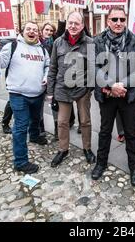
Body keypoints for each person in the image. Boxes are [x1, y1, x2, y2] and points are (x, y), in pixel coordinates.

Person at [91, 6, 135, 187]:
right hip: (107, 95)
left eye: (122, 19)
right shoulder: (97, 41)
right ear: (108, 21)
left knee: (131, 133)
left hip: (127, 95)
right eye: (115, 19)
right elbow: (93, 67)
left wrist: (122, 85)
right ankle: (101, 163)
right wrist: (110, 85)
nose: (119, 23)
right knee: (105, 131)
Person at [0, 21, 50, 174]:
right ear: (23, 31)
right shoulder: (13, 46)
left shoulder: (42, 50)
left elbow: (48, 66)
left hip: (37, 93)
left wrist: (46, 76)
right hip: (18, 94)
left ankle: (35, 136)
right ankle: (21, 161)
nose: (32, 32)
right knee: (21, 127)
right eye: (28, 29)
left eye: (35, 30)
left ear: (38, 33)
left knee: (36, 120)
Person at [47, 11, 95, 167]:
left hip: (83, 89)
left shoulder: (90, 43)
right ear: (67, 24)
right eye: (71, 23)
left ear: (82, 25)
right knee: (62, 122)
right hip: (62, 88)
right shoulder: (57, 43)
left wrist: (90, 88)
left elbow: (95, 67)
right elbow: (53, 67)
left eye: (77, 23)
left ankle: (87, 148)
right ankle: (63, 149)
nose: (73, 26)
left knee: (85, 121)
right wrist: (50, 91)